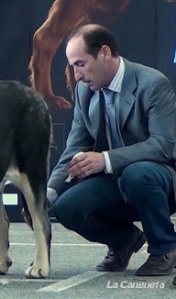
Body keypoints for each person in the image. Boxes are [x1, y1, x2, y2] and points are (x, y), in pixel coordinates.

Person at [47, 24, 176, 276]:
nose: (76, 75)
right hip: (120, 181)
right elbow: (72, 149)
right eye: (73, 66)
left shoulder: (153, 84)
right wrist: (47, 195)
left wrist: (105, 159)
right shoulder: (84, 91)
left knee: (137, 174)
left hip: (164, 180)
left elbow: (164, 146)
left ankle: (166, 248)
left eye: (80, 64)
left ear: (105, 52)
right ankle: (123, 240)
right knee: (65, 207)